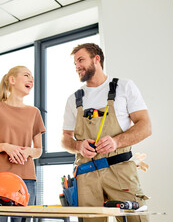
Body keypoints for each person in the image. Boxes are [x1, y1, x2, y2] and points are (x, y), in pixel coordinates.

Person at [61, 43, 152, 222]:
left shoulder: (123, 87)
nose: (77, 66)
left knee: (136, 219)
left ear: (97, 59)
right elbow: (65, 138)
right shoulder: (73, 99)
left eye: (81, 60)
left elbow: (145, 126)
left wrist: (117, 142)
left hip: (120, 170)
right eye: (75, 64)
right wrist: (78, 145)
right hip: (86, 175)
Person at [0, 66, 46, 222]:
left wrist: (28, 152)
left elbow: (38, 150)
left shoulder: (34, 113)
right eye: (26, 75)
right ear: (12, 80)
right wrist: (4, 147)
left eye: (32, 78)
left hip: (26, 179)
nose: (31, 80)